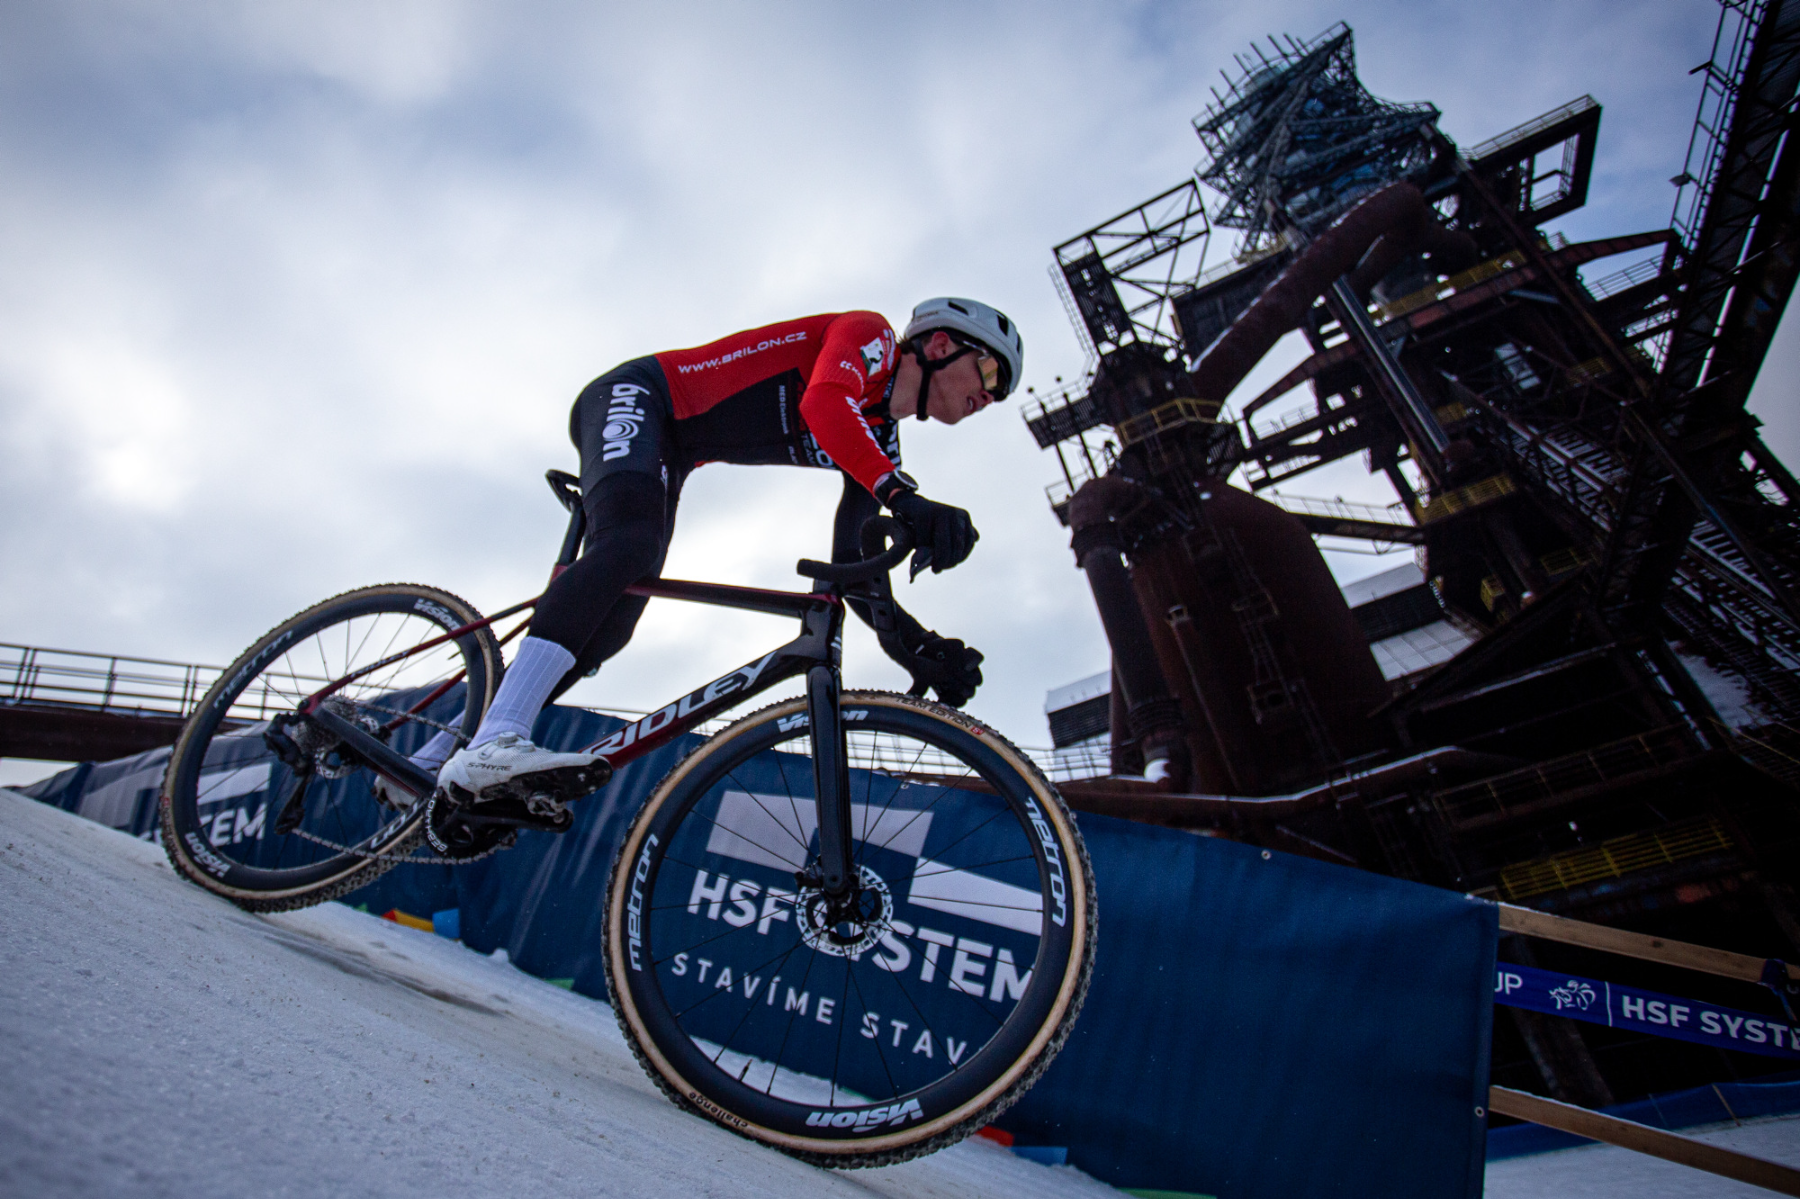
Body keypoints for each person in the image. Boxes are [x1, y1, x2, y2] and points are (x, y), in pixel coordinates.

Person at [412, 297, 1023, 806]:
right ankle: (495, 738)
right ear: (940, 344)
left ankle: (438, 754)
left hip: (673, 452)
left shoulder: (880, 443)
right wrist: (902, 496)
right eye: (992, 374)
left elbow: (852, 568)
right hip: (640, 394)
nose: (991, 398)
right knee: (630, 544)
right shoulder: (872, 339)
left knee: (610, 628)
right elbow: (823, 402)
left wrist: (915, 646)